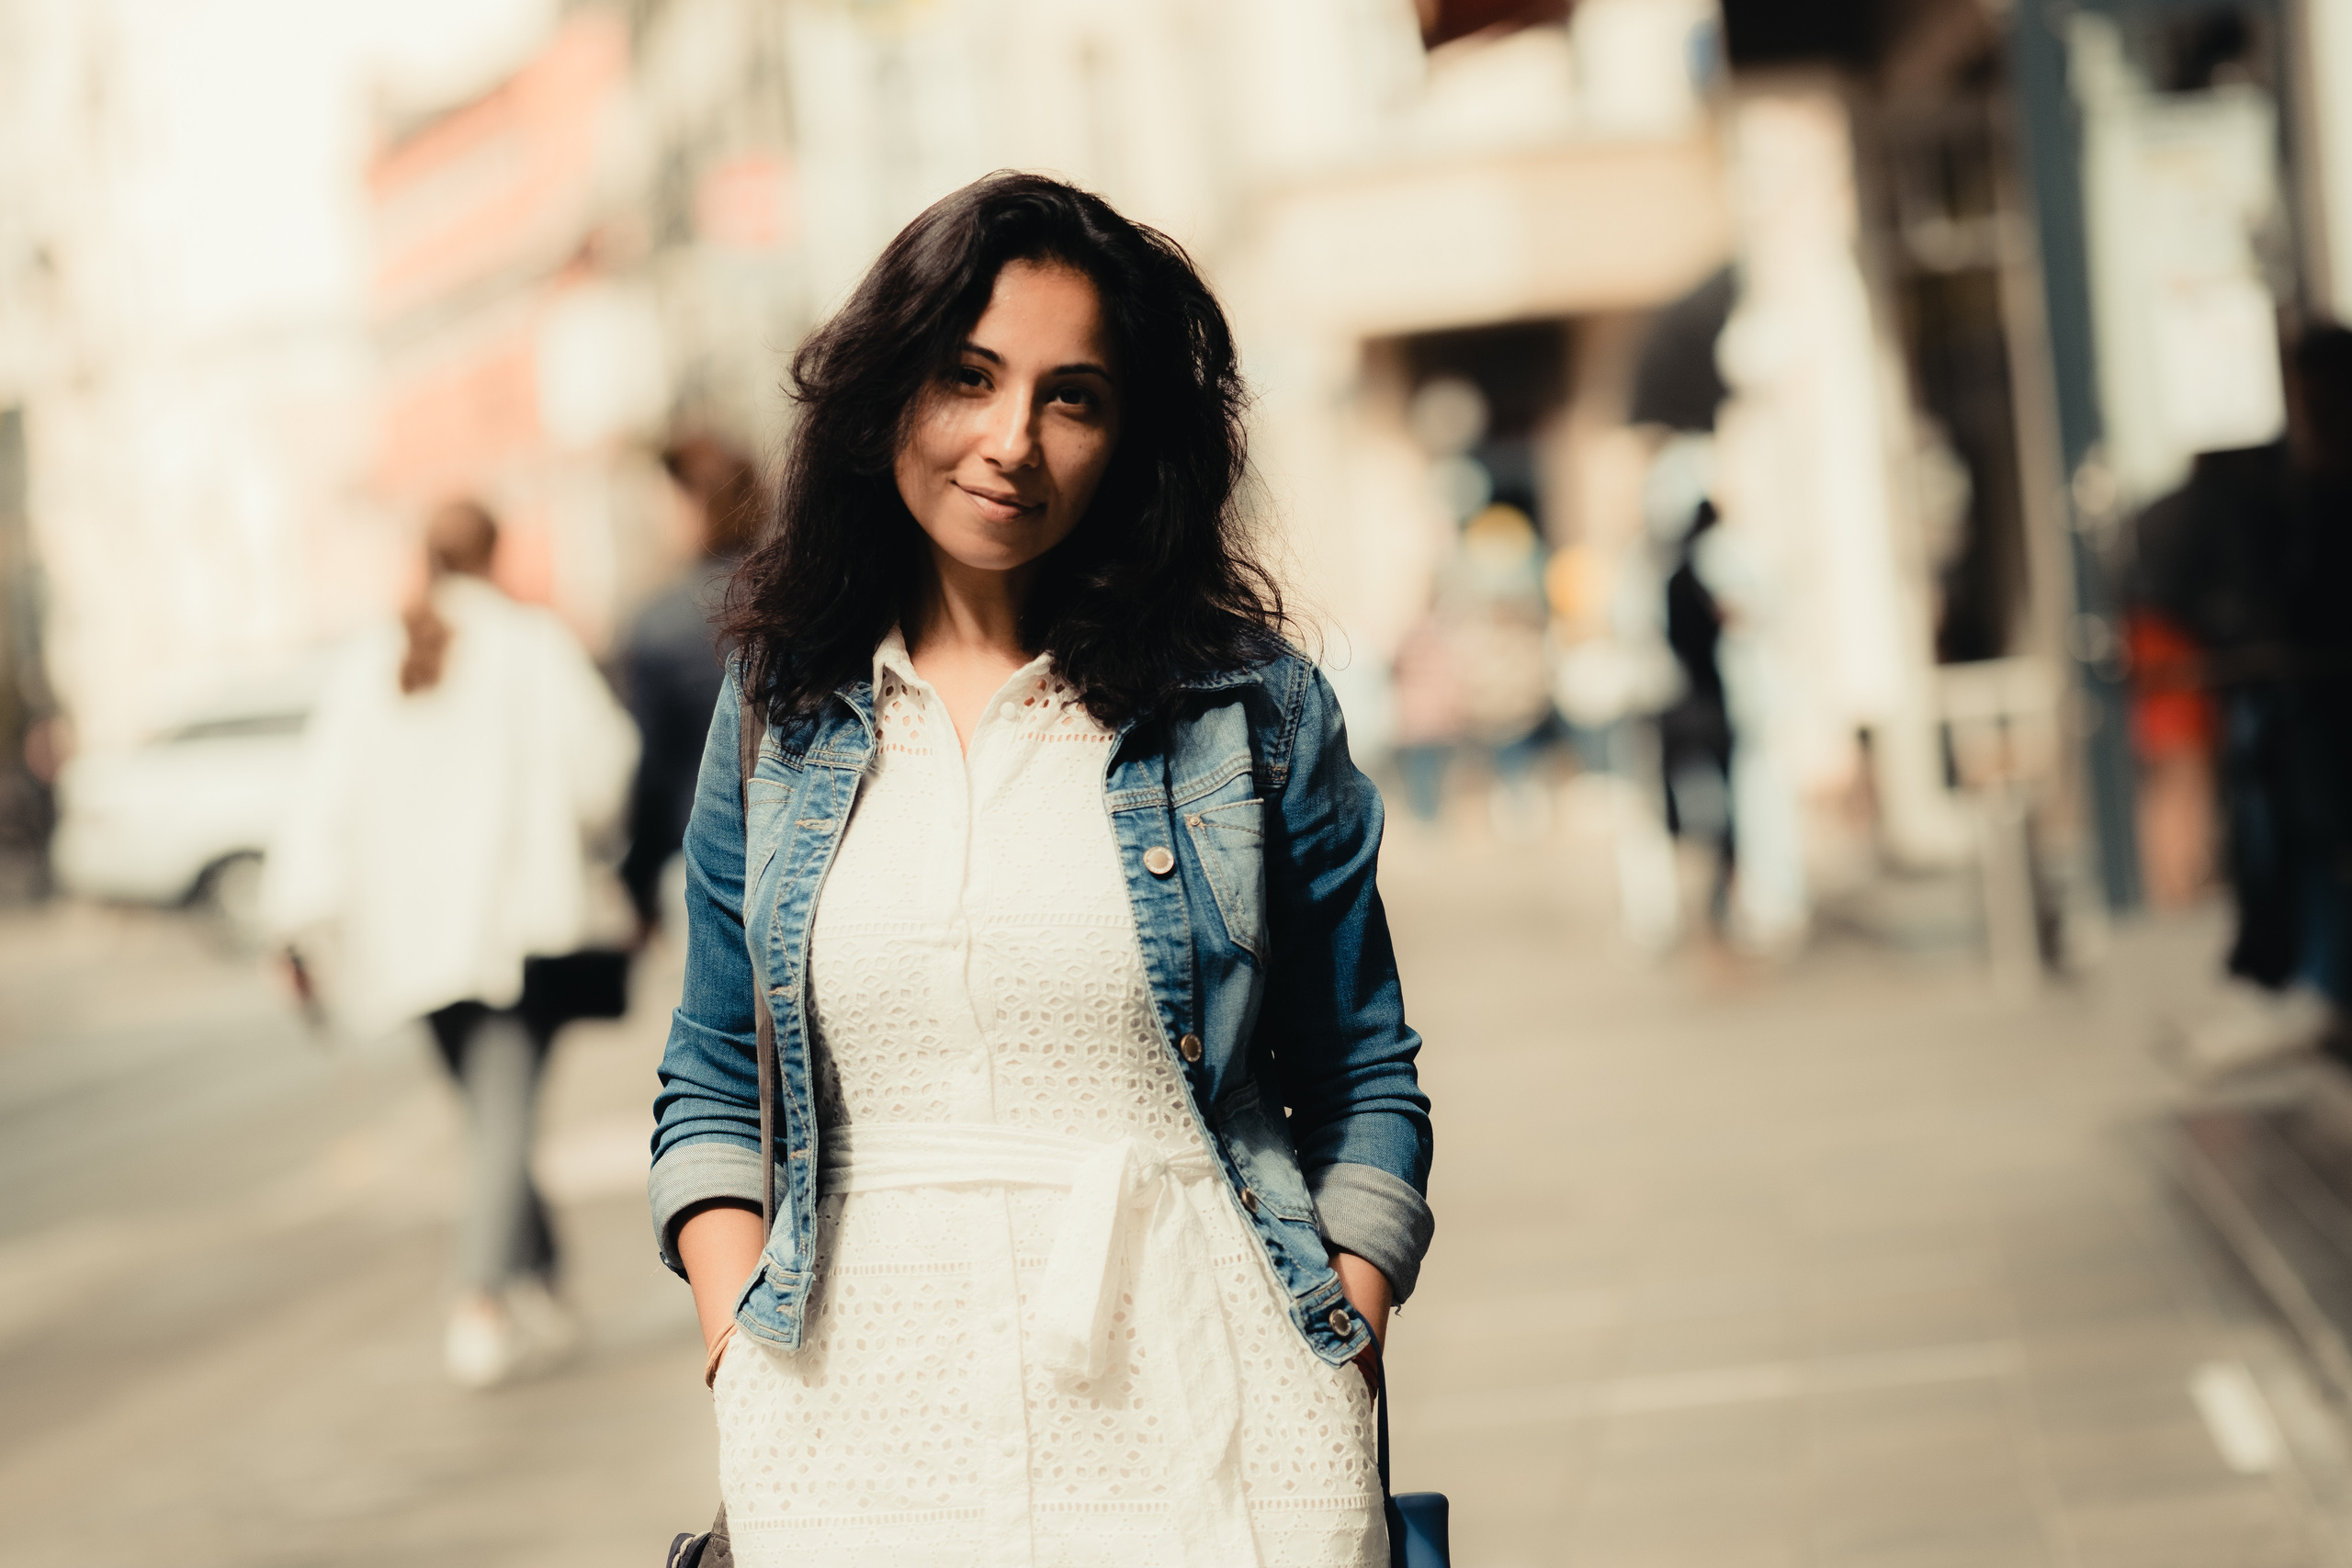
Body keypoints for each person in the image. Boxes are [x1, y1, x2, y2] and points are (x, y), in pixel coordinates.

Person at [649, 173, 1435, 1567]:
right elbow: (711, 1073)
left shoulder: (1245, 709)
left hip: (1215, 1424)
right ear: (890, 388)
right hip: (854, 1443)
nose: (1012, 439)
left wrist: (1339, 1336)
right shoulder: (782, 708)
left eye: (1072, 395)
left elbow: (1363, 1076)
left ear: (1131, 437)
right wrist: (738, 1350)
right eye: (968, 376)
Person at [263, 500, 640, 1386]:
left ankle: (540, 1278)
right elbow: (603, 771)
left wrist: (297, 925)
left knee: (489, 1118)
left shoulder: (370, 659)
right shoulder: (530, 646)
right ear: (496, 554)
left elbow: (323, 799)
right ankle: (479, 1300)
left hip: (409, 940)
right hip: (512, 930)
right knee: (498, 1123)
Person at [618, 436, 764, 937]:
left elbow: (653, 774)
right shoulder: (802, 591)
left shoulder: (660, 620)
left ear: (695, 503)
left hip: (705, 864)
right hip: (808, 844)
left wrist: (635, 884)